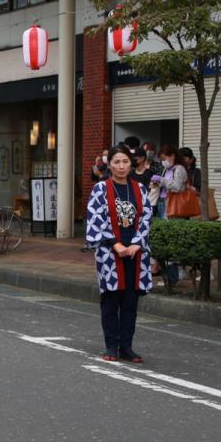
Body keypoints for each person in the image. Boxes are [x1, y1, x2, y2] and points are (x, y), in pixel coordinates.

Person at [86, 145, 152, 362]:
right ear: (109, 165)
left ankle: (127, 346)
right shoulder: (101, 189)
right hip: (109, 253)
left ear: (131, 164)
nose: (121, 166)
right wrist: (115, 244)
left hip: (136, 253)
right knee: (111, 300)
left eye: (125, 162)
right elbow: (96, 219)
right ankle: (111, 346)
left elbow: (145, 218)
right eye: (117, 162)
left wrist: (135, 244)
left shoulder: (140, 189)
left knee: (131, 301)